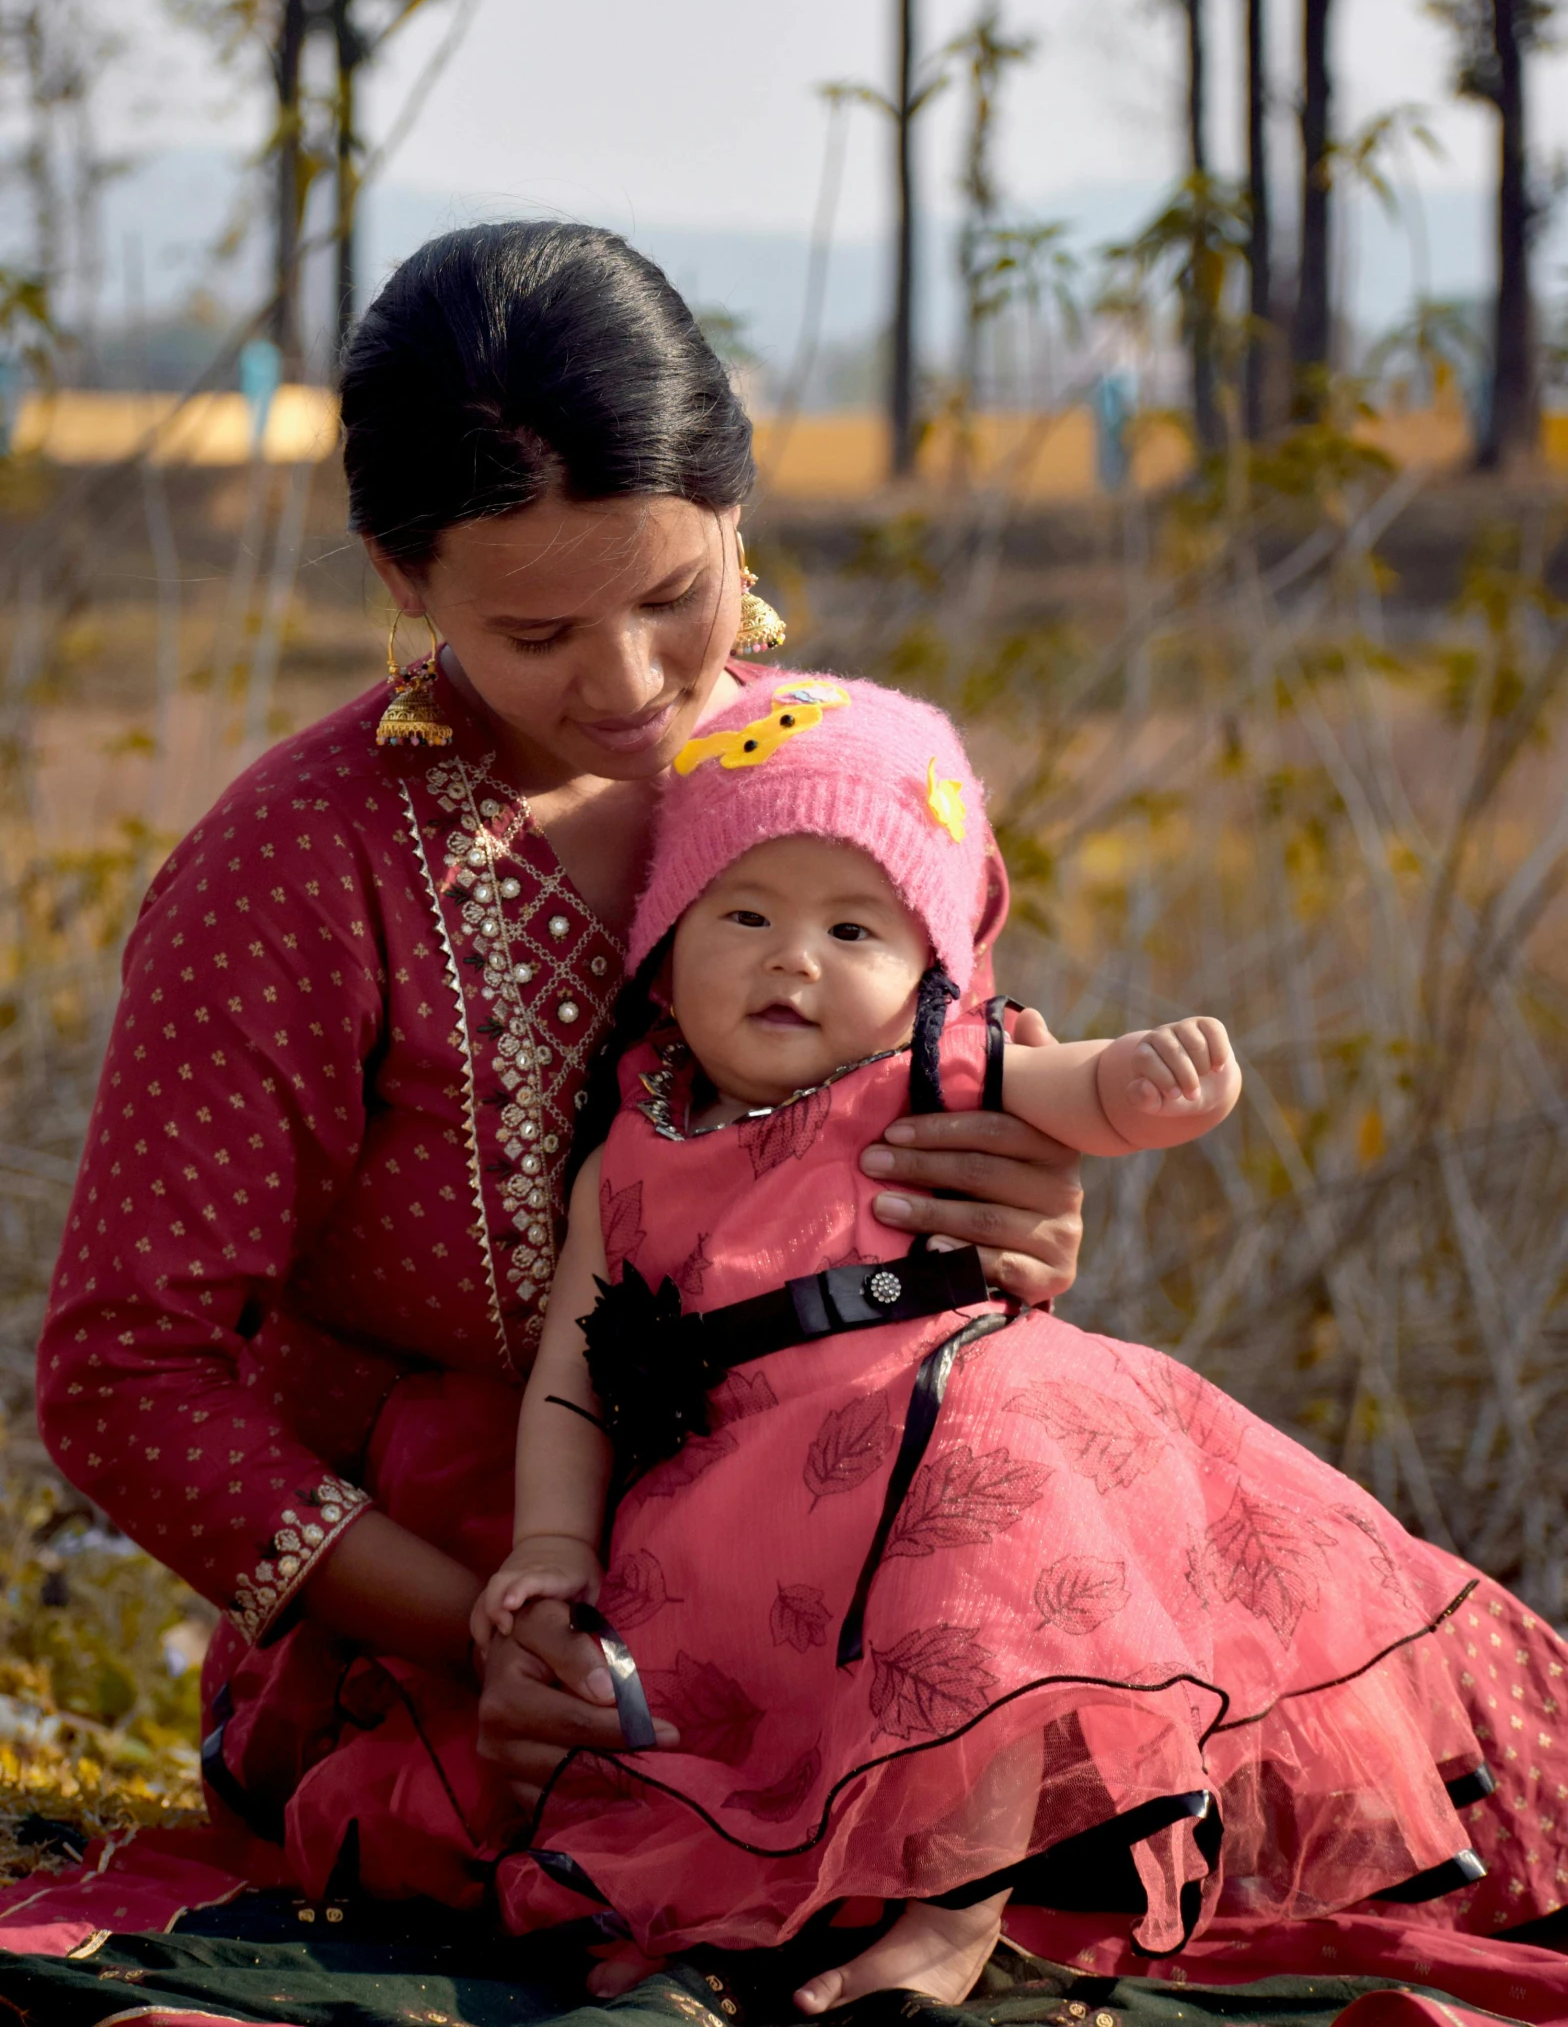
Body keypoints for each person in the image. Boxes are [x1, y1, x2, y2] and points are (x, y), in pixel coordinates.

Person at [34, 223, 1086, 1895]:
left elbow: (938, 1138)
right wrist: (489, 1627)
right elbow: (121, 1375)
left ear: (737, 507)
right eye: (536, 634)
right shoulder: (296, 870)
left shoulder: (850, 794)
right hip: (463, 1638)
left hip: (849, 1566)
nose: (629, 683)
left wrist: (1014, 1230)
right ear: (402, 576)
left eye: (679, 595)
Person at [453, 673, 1568, 2012]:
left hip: (955, 1442)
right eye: (742, 913)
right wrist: (552, 1545)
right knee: (716, 1758)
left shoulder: (922, 1074)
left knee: (978, 1585)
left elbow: (1073, 1088)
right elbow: (576, 1376)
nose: (792, 957)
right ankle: (834, 1879)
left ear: (929, 969)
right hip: (750, 1524)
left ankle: (951, 1906)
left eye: (853, 927)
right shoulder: (628, 1150)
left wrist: (1143, 1083)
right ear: (663, 941)